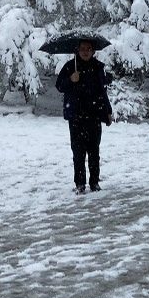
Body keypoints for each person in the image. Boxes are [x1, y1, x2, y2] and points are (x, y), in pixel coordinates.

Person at [55, 40, 113, 194]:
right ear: (77, 50)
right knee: (78, 152)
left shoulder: (98, 67)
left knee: (94, 152)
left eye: (88, 49)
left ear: (93, 51)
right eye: (82, 49)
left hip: (94, 115)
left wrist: (108, 110)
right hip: (76, 116)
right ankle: (80, 184)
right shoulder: (70, 66)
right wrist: (70, 80)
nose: (85, 52)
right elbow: (59, 86)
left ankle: (94, 182)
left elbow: (102, 91)